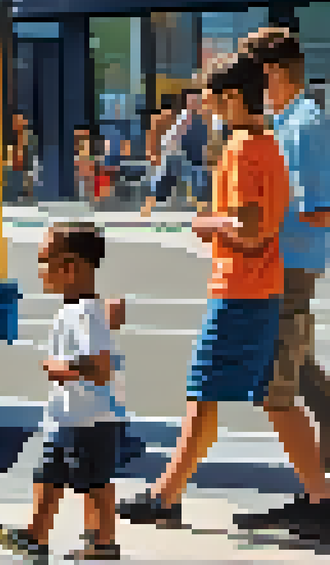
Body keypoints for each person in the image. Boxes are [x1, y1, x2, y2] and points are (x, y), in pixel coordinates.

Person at [118, 50, 330, 539]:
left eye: (208, 95)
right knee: (275, 398)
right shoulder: (265, 142)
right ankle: (320, 497)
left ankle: (164, 497)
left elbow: (251, 231)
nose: (203, 104)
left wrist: (204, 222)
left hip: (240, 290)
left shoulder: (244, 149)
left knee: (203, 392)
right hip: (260, 288)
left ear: (232, 97)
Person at [0, 222, 127, 561]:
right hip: (69, 416)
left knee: (94, 483)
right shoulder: (81, 310)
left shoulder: (83, 313)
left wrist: (59, 368)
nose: (40, 270)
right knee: (48, 474)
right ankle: (34, 536)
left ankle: (103, 542)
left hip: (90, 420)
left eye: (44, 260)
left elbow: (101, 368)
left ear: (69, 266)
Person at [236, 29, 330, 487]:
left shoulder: (305, 126)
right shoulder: (285, 122)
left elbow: (320, 209)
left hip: (292, 263)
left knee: (279, 381)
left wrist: (259, 225)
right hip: (280, 261)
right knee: (302, 369)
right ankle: (320, 488)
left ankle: (318, 497)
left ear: (273, 73)